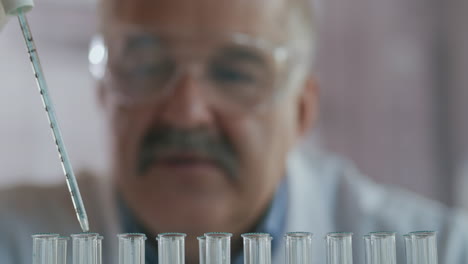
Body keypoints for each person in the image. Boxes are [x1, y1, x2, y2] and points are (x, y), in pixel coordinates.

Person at [1, 0, 468, 263]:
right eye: (146, 65)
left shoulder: (436, 251)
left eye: (235, 73)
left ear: (302, 111)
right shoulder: (15, 239)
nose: (186, 113)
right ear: (105, 92)